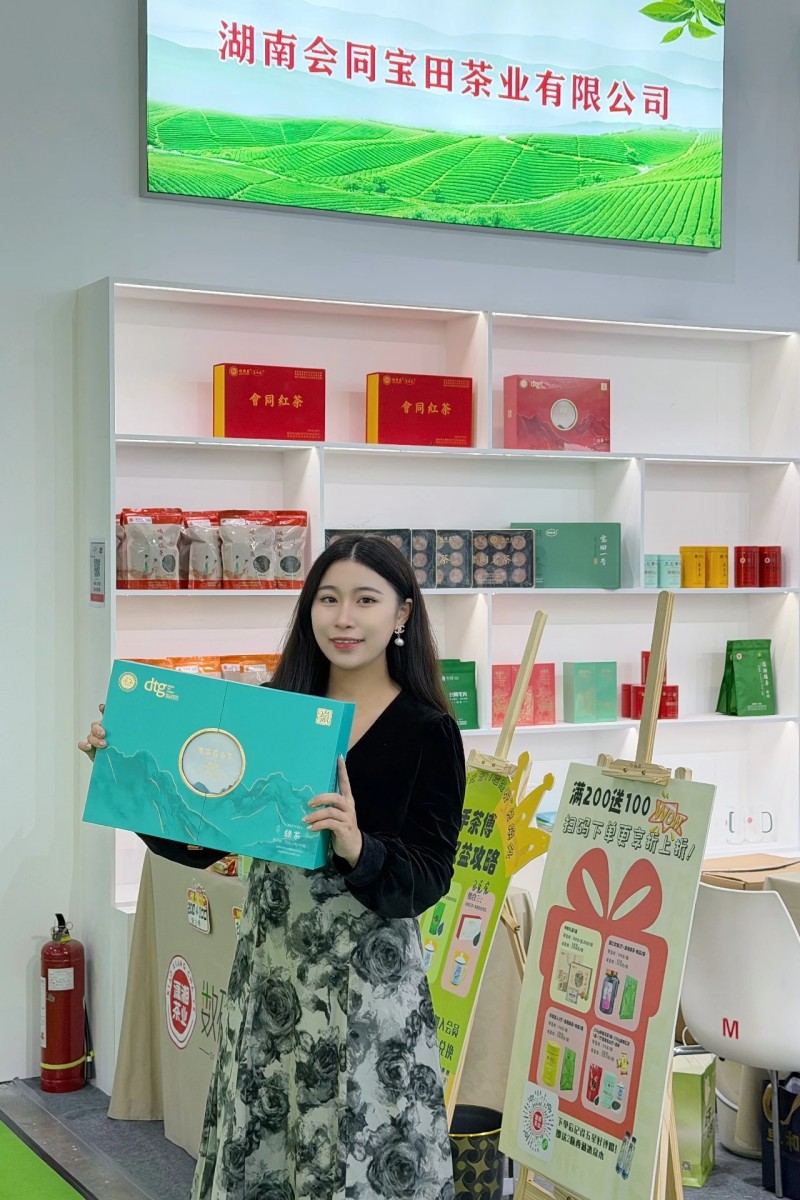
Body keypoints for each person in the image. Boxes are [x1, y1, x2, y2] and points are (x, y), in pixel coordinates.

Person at [80, 532, 466, 1200]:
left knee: (358, 1158)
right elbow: (201, 843)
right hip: (271, 980)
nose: (344, 618)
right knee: (264, 1155)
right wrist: (123, 776)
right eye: (328, 599)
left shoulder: (427, 729)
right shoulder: (274, 713)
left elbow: (428, 877)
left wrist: (359, 846)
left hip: (368, 998)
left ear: (402, 613)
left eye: (366, 600)